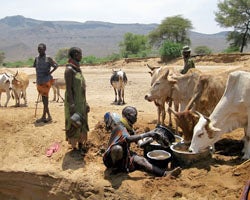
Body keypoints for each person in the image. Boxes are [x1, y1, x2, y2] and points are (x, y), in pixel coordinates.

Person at [103, 106, 182, 177]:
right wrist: (147, 134)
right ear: (128, 115)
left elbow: (140, 144)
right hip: (111, 159)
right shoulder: (120, 126)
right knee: (117, 148)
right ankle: (115, 169)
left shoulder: (130, 128)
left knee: (142, 160)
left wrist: (152, 138)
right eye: (134, 115)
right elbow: (128, 139)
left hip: (124, 156)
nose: (136, 118)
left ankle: (165, 174)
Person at [64, 47, 90, 155]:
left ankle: (81, 145)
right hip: (73, 102)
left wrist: (86, 103)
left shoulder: (78, 69)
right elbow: (69, 89)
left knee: (82, 122)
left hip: (81, 102)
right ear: (75, 54)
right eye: (80, 54)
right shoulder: (69, 70)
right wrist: (72, 104)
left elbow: (82, 88)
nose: (81, 56)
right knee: (74, 123)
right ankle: (74, 148)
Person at [33, 43, 58, 123]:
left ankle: (45, 117)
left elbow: (56, 65)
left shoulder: (48, 58)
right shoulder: (36, 58)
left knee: (45, 99)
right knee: (44, 99)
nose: (40, 50)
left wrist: (49, 73)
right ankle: (47, 116)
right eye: (38, 49)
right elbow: (35, 68)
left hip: (46, 81)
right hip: (39, 81)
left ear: (45, 49)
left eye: (41, 49)